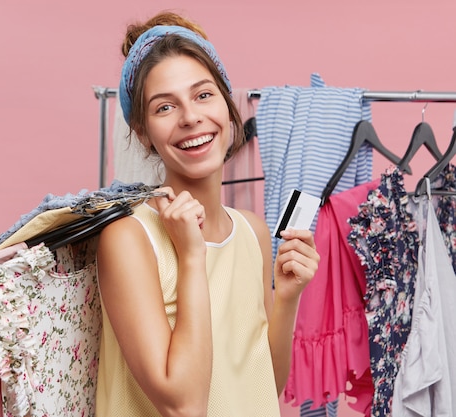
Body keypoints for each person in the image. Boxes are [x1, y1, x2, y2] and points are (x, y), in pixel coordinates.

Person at [95, 11, 320, 417]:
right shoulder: (129, 238)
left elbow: (262, 385)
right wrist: (192, 255)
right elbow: (184, 405)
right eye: (165, 107)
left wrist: (287, 299)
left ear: (227, 101)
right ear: (143, 133)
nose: (191, 118)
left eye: (203, 95)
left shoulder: (252, 232)